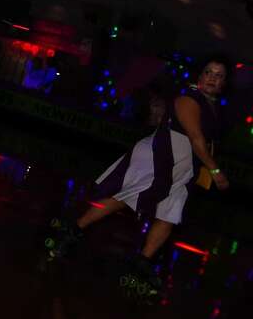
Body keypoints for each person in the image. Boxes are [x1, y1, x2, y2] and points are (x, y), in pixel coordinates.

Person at [46, 56, 231, 297]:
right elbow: (196, 139)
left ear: (223, 82)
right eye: (209, 72)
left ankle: (142, 262)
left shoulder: (211, 105)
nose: (212, 78)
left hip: (182, 167)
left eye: (218, 75)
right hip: (159, 158)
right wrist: (215, 171)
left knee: (169, 214)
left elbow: (204, 141)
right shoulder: (189, 99)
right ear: (200, 75)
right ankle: (74, 230)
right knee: (126, 197)